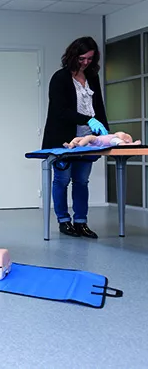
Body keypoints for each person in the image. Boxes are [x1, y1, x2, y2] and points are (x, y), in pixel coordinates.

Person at [42, 36, 109, 239]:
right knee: (62, 180)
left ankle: (81, 222)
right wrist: (88, 120)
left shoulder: (92, 77)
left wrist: (105, 130)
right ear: (73, 56)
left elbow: (99, 107)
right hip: (64, 139)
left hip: (87, 139)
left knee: (81, 181)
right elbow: (61, 111)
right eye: (82, 58)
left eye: (90, 58)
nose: (86, 62)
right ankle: (64, 221)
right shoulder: (60, 78)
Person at [64, 132, 140, 148]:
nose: (123, 133)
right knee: (77, 138)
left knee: (89, 137)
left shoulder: (116, 140)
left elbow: (123, 145)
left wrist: (134, 144)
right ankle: (70, 145)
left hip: (98, 141)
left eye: (125, 135)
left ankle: (79, 145)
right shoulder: (113, 136)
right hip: (96, 140)